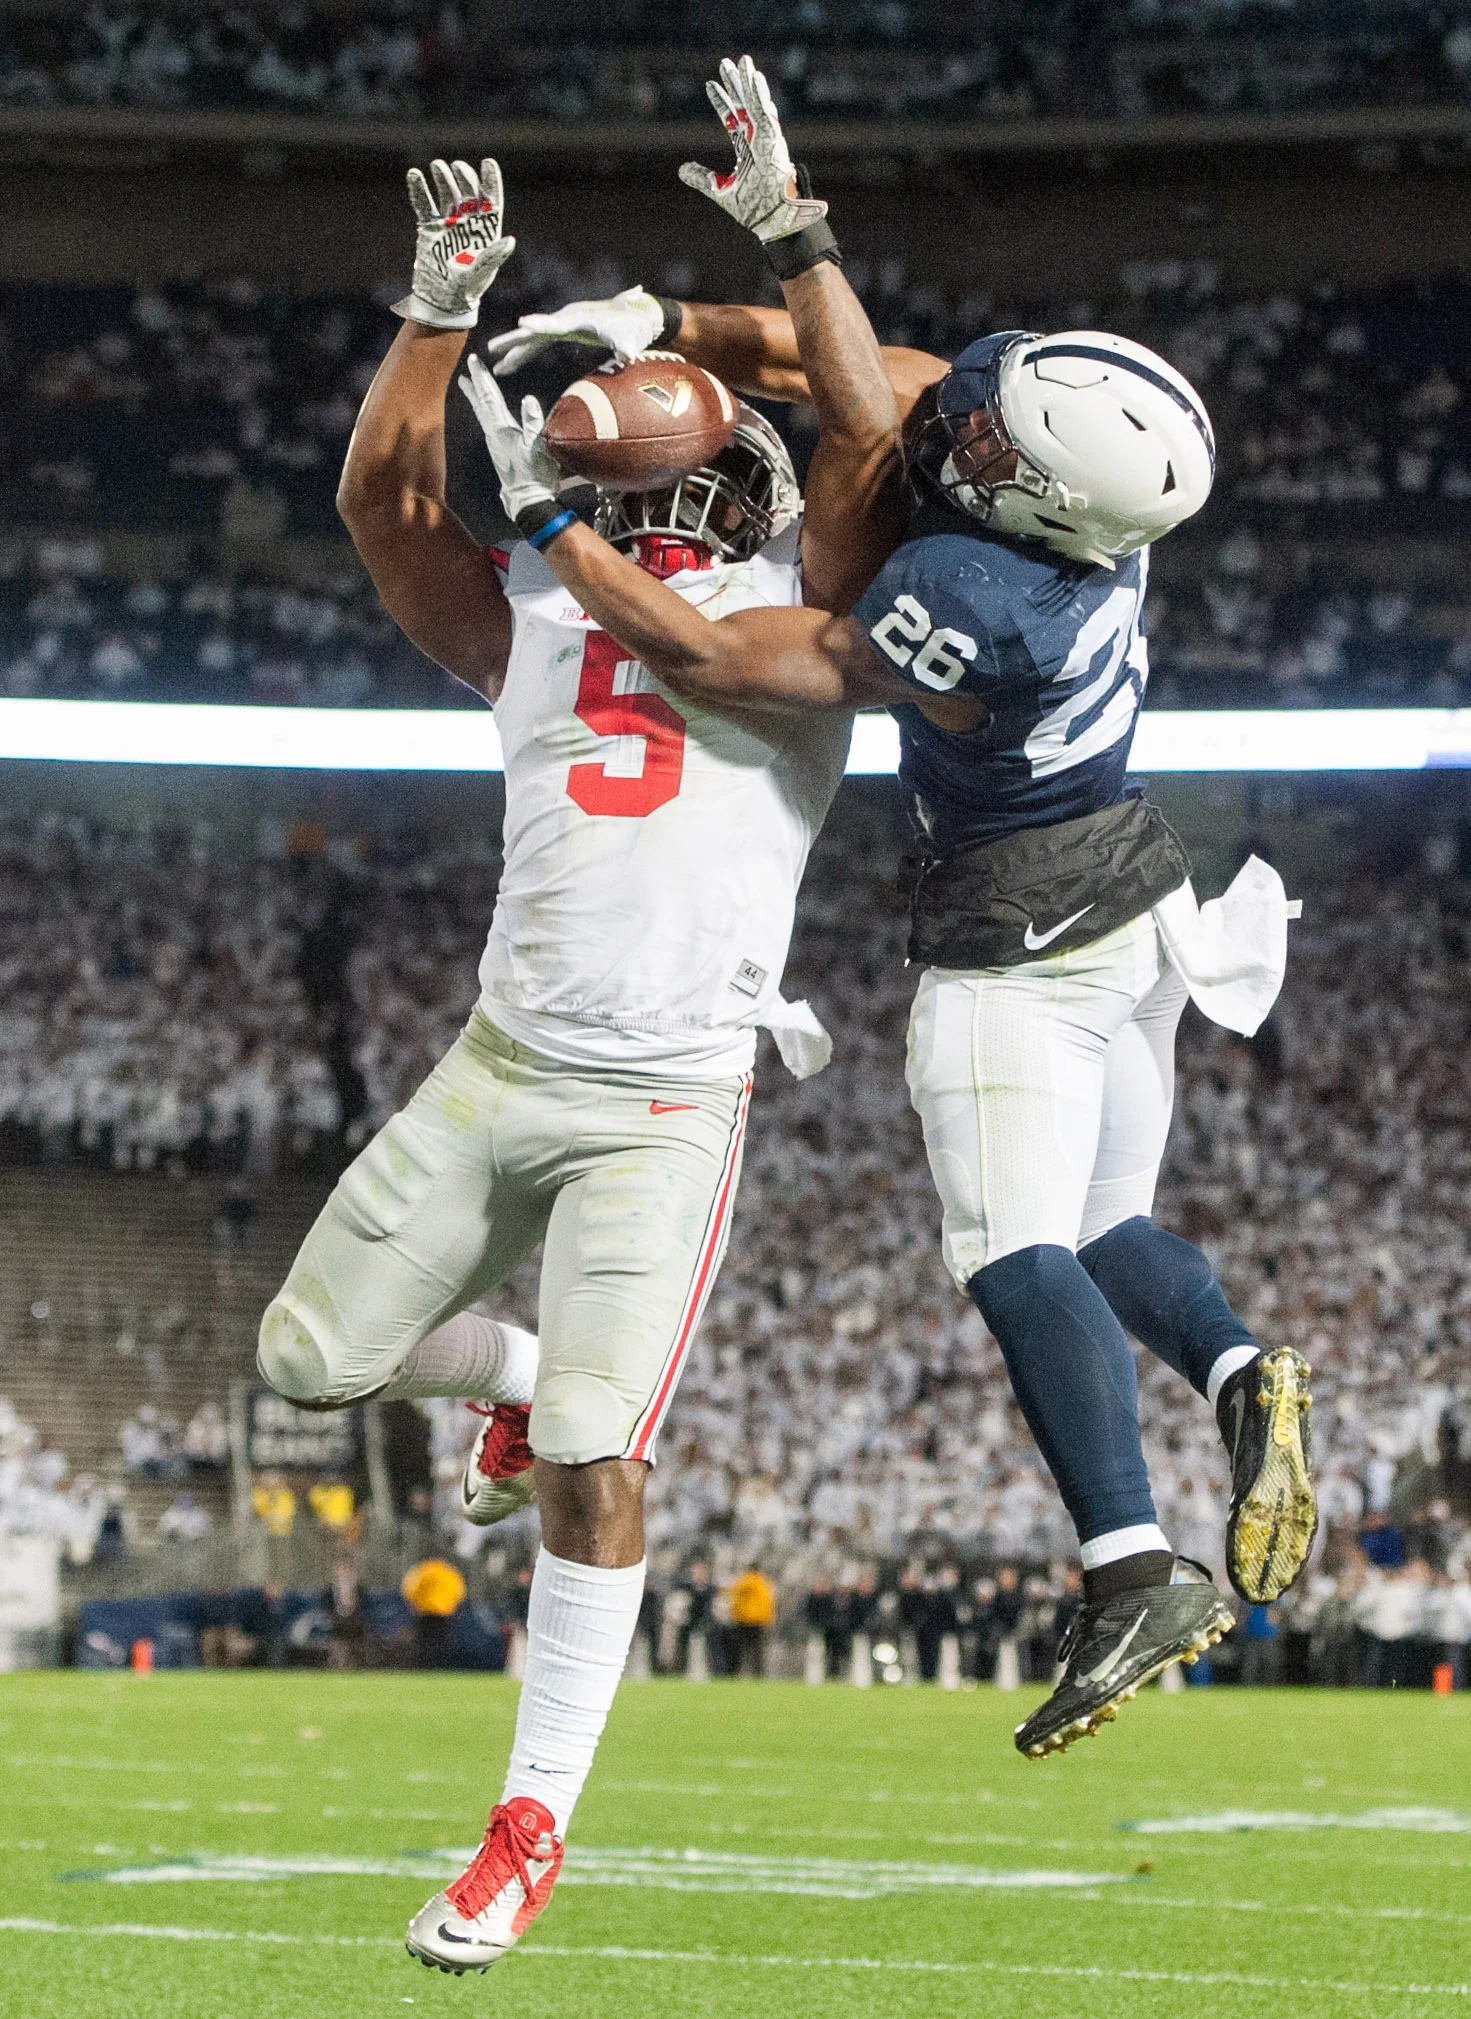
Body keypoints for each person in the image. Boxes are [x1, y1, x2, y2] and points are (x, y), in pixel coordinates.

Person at [470, 54, 1317, 1762]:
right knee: (1108, 1230)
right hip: (1141, 887)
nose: (971, 419)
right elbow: (864, 387)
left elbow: (718, 653)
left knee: (1010, 1250)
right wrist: (736, 272)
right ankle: (1237, 1373)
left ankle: (1129, 1559)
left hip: (1019, 936)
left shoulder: (972, 597)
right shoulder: (1084, 510)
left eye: (1000, 436)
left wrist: (552, 512)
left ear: (1042, 492)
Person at [255, 134, 902, 1975]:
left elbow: (878, 426)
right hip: (502, 1062)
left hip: (663, 1105)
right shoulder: (535, 603)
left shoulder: (805, 617)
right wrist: (437, 317)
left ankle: (530, 1817)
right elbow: (381, 505)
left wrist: (758, 279)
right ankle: (518, 1365)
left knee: (607, 1451)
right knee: (309, 1357)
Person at [727, 1561, 777, 1676]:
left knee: (738, 1649)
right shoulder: (764, 1583)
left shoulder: (742, 1581)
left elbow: (734, 1600)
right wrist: (769, 1618)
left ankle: (734, 1672)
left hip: (742, 1620)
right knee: (756, 1650)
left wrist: (734, 1614)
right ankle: (757, 1673)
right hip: (758, 1621)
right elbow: (769, 1603)